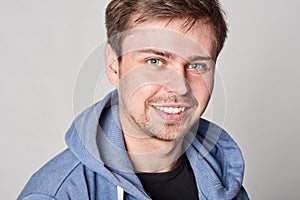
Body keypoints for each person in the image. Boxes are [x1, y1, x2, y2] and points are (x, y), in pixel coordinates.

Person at [18, 0, 249, 199]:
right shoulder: (56, 194)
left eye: (197, 65)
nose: (180, 86)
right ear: (113, 66)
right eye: (155, 61)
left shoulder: (221, 178)